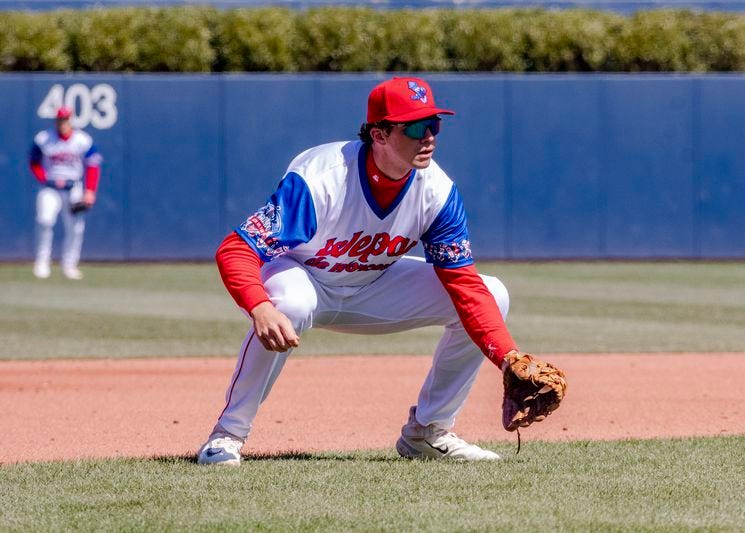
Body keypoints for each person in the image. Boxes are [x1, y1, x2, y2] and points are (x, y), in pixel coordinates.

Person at [198, 77, 522, 466]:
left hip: (374, 285)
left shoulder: (437, 190)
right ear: (379, 134)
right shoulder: (322, 177)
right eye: (416, 127)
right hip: (306, 276)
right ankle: (228, 434)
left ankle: (428, 432)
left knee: (493, 292)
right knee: (288, 304)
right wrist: (259, 306)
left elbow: (463, 284)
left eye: (434, 125)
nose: (429, 137)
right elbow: (236, 248)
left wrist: (508, 358)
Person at [30, 106, 102, 280]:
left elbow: (93, 165)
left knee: (75, 228)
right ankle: (42, 262)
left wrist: (90, 190)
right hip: (50, 187)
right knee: (45, 221)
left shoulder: (82, 140)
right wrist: (43, 178)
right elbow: (34, 161)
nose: (63, 122)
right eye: (60, 119)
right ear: (56, 120)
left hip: (73, 187)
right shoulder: (44, 139)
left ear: (71, 120)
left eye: (66, 119)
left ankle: (69, 265)